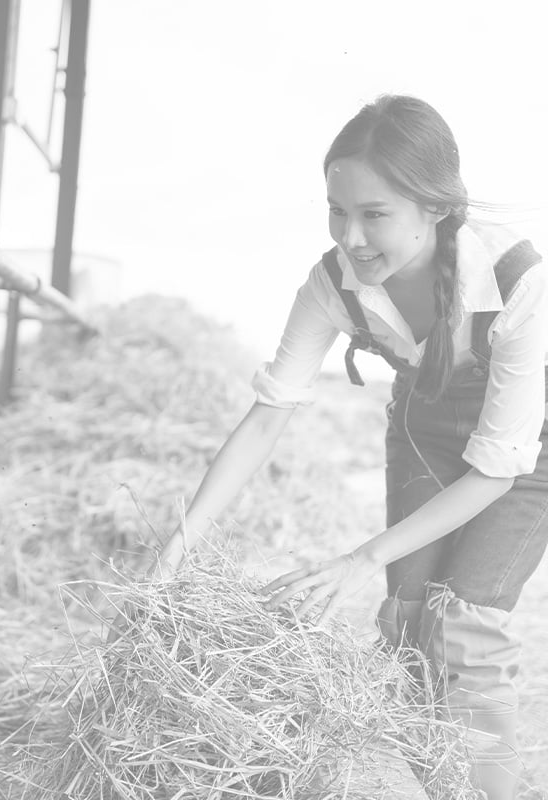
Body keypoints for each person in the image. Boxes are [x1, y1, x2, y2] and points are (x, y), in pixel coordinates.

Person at [147, 95, 548, 800]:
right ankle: (440, 786)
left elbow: (495, 468)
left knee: (463, 624)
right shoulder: (331, 283)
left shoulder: (517, 279)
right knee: (406, 627)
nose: (351, 237)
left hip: (526, 453)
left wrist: (361, 558)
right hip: (425, 432)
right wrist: (175, 547)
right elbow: (269, 416)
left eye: (374, 214)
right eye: (337, 211)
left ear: (435, 206)